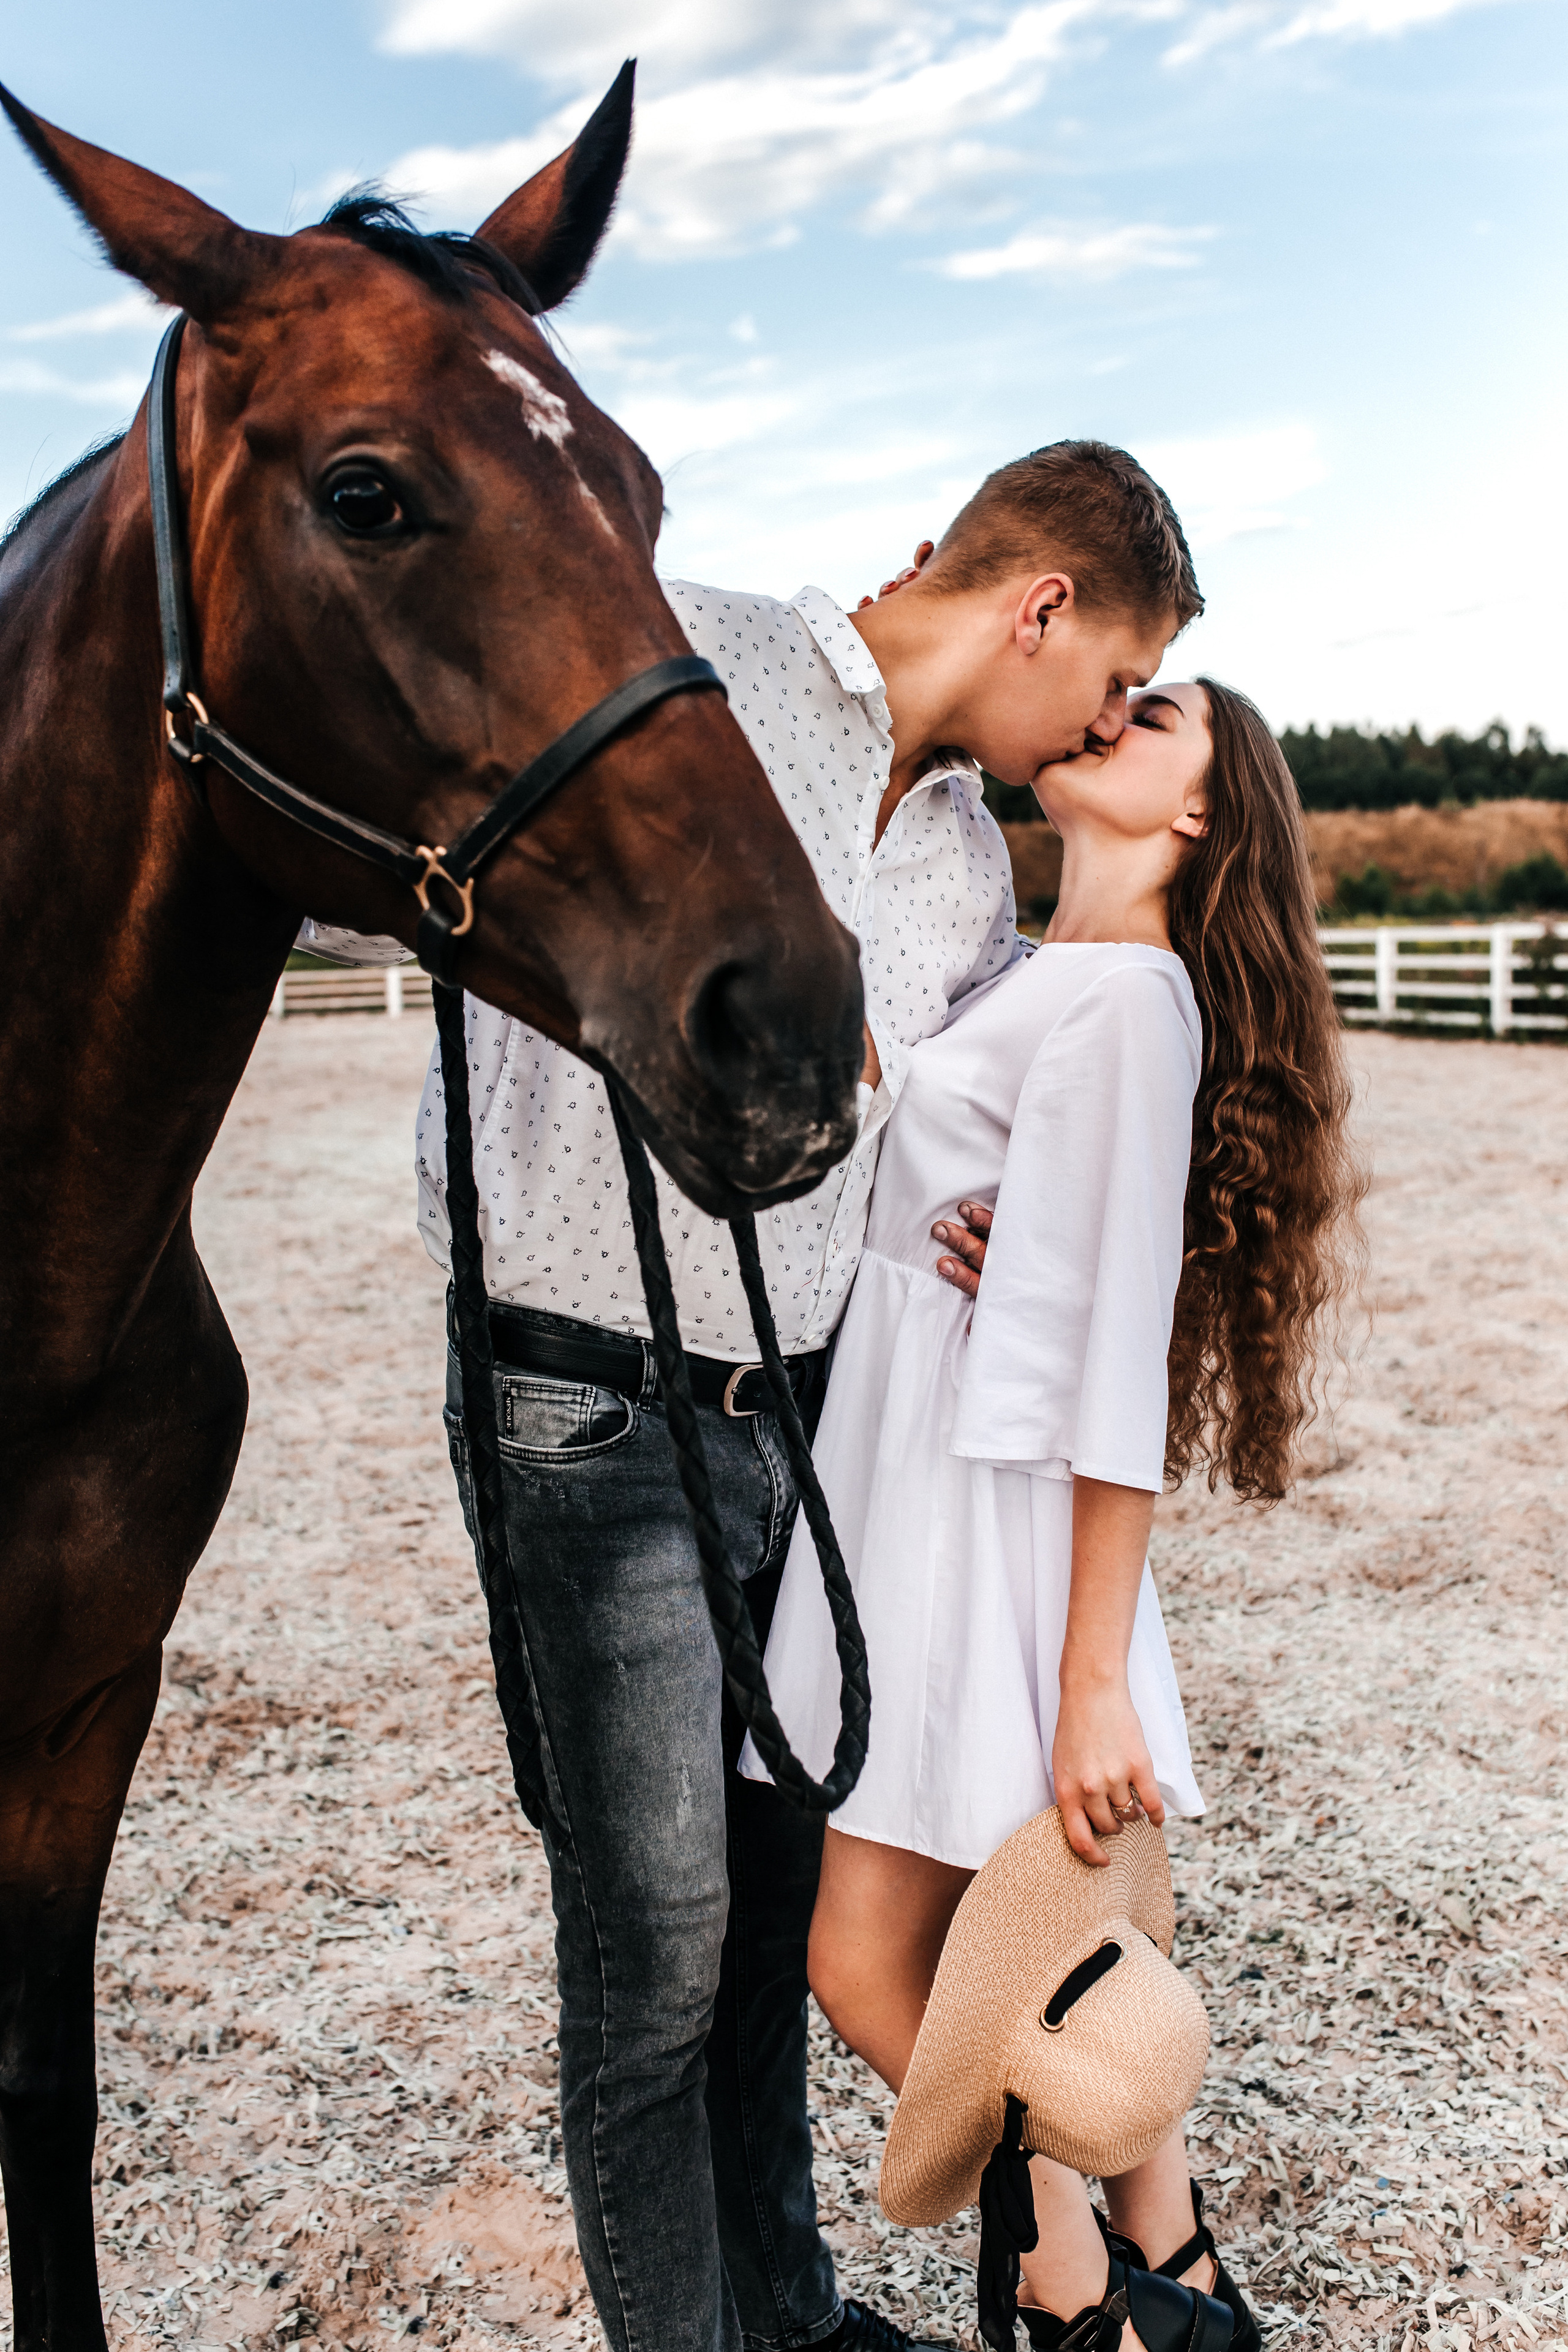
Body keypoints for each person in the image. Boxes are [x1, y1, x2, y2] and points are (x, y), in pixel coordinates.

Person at [401, 444, 1205, 2352]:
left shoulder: (965, 866)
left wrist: (1029, 1225)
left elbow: (987, 1107)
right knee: (658, 1960)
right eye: (1110, 681)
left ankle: (798, 2313)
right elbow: (437, 871)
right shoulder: (691, 660)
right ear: (1041, 610)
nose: (1103, 723)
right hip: (583, 1396)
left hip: (807, 1421)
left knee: (767, 1925)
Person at [744, 677, 1365, 2350]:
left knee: (873, 1965)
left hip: (975, 1508)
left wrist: (1094, 1679)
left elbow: (1112, 1380)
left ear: (1198, 820)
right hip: (932, 1473)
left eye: (1153, 717)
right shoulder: (1058, 979)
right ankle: (1178, 2267)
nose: (1107, 715)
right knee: (1033, 1945)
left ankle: (1087, 2300)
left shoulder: (1124, 1007)